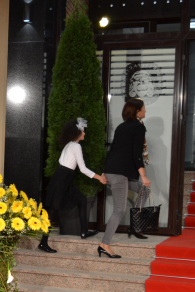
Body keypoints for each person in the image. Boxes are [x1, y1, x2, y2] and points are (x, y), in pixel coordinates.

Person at [39, 119, 107, 253]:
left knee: (81, 199)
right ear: (78, 132)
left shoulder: (69, 145)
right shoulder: (76, 146)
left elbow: (61, 161)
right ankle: (43, 243)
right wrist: (99, 177)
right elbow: (82, 168)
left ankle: (83, 232)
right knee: (53, 210)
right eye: (83, 131)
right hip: (63, 178)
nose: (84, 134)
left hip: (63, 177)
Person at [99, 98, 151, 258]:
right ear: (137, 111)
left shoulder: (122, 127)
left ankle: (135, 224)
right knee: (119, 210)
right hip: (119, 173)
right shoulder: (138, 127)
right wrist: (143, 175)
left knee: (144, 190)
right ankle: (104, 244)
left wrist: (104, 171)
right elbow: (137, 154)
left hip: (114, 170)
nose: (145, 111)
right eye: (143, 108)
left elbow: (113, 149)